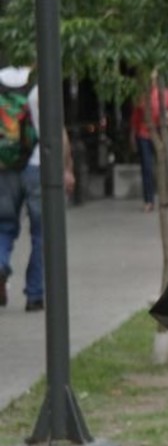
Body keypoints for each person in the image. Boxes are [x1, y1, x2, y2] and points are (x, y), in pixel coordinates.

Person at [0, 65, 74, 312]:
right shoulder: (38, 85)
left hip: (5, 168)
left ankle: (0, 264)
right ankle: (34, 295)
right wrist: (67, 167)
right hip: (37, 167)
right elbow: (57, 129)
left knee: (4, 226)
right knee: (42, 233)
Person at [130, 71, 168, 213]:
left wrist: (166, 115)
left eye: (153, 79)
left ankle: (166, 196)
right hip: (144, 133)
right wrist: (132, 135)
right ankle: (148, 200)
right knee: (147, 168)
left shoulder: (165, 93)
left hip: (160, 133)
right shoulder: (141, 95)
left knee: (163, 165)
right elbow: (135, 117)